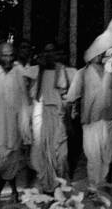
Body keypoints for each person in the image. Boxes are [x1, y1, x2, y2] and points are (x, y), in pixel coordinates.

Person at [69, 19, 112, 198]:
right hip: (91, 121)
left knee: (107, 157)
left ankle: (100, 187)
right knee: (93, 158)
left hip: (109, 120)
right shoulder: (82, 74)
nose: (99, 56)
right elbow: (72, 97)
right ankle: (95, 189)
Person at [0, 41, 32, 204]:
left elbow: (25, 101)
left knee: (11, 163)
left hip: (14, 129)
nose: (8, 59)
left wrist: (26, 128)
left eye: (11, 55)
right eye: (5, 55)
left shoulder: (20, 75)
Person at [29, 40, 76, 195]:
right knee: (43, 154)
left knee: (61, 154)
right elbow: (33, 96)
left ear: (56, 54)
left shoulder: (62, 70)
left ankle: (60, 185)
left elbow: (66, 97)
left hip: (58, 117)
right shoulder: (37, 71)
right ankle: (48, 187)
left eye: (52, 51)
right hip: (42, 117)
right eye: (46, 51)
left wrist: (67, 119)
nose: (49, 54)